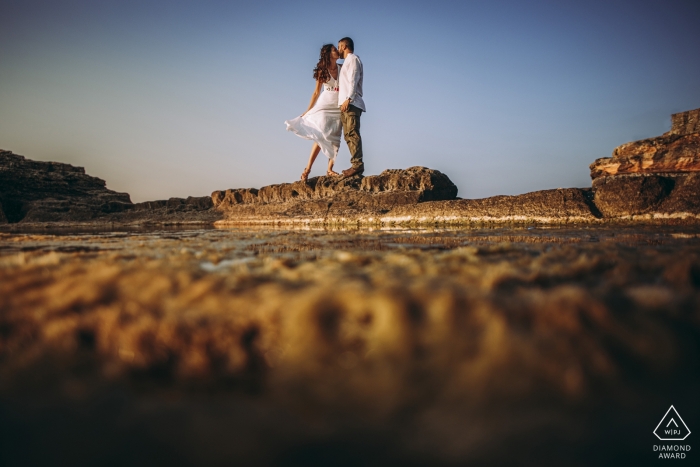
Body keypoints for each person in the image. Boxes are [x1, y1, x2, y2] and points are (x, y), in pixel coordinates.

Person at [285, 44, 342, 181]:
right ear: (328, 54)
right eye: (335, 50)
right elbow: (316, 92)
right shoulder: (323, 71)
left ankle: (330, 169)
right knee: (320, 134)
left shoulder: (342, 68)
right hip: (325, 104)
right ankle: (308, 168)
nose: (337, 51)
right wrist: (308, 110)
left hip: (339, 106)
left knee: (335, 137)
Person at [336, 37, 365, 177]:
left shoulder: (353, 59)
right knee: (348, 135)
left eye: (339, 46)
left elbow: (354, 78)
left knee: (352, 133)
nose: (338, 49)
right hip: (345, 103)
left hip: (351, 102)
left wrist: (349, 98)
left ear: (345, 46)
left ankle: (357, 165)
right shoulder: (346, 62)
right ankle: (355, 165)